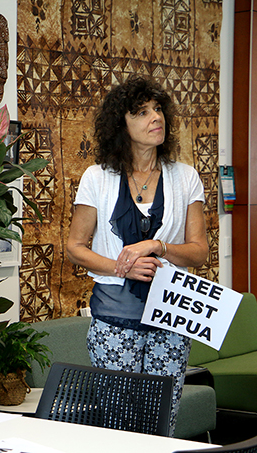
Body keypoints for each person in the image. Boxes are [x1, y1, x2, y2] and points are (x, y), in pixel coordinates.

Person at [65, 75, 209, 435]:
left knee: (160, 428)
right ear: (121, 124)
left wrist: (158, 247)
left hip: (171, 320)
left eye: (158, 109)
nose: (155, 118)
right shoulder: (96, 178)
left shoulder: (186, 177)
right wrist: (121, 267)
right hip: (114, 319)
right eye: (142, 112)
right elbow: (75, 247)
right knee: (118, 430)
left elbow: (199, 252)